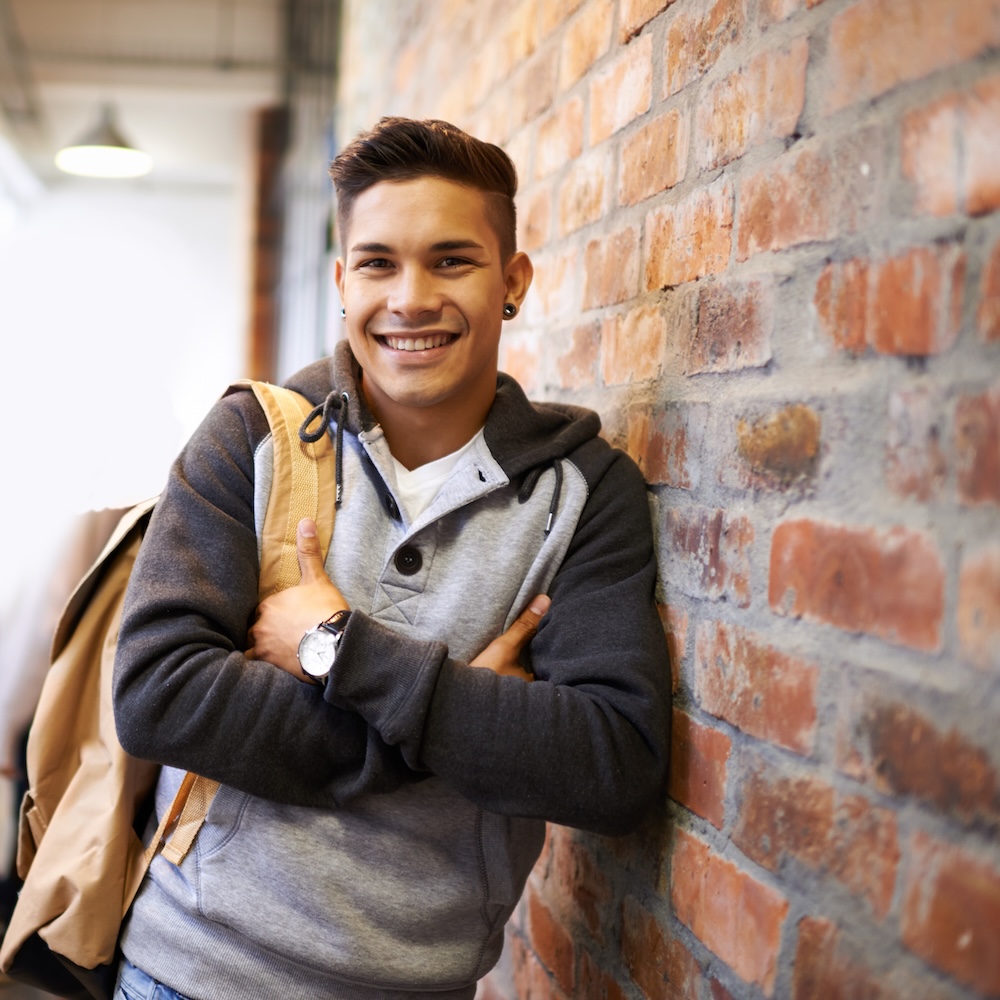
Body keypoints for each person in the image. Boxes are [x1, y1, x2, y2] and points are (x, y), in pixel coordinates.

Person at [112, 116, 669, 1000]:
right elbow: (157, 695)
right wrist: (456, 719)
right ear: (342, 281)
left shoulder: (586, 492)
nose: (409, 298)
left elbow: (612, 765)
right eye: (378, 263)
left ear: (513, 280)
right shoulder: (250, 438)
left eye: (452, 260)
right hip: (190, 974)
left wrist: (338, 647)